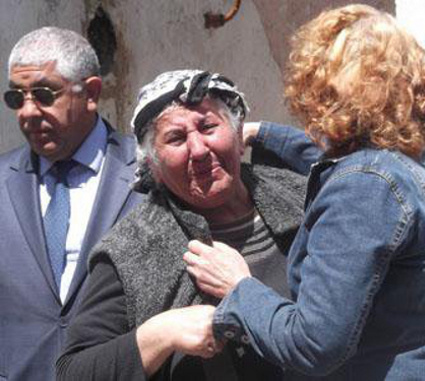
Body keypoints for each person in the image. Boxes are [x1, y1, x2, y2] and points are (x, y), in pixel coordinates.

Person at [185, 4, 425, 380]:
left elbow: (312, 344)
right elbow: (350, 164)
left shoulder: (366, 187)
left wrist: (239, 288)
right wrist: (261, 133)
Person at [56, 69, 307, 380]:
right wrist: (160, 334)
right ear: (153, 166)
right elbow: (74, 372)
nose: (199, 150)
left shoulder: (303, 199)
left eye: (209, 126)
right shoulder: (134, 248)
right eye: (176, 138)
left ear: (239, 135)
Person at [0, 27, 143, 381]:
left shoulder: (149, 175)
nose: (27, 113)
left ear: (91, 92)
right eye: (17, 98)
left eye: (44, 95)